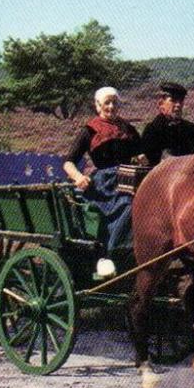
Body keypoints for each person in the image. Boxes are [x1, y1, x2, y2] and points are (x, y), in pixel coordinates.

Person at [63, 86, 142, 279]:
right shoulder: (90, 130)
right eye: (107, 102)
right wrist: (78, 177)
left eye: (115, 102)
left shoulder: (128, 129)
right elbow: (68, 162)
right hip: (104, 185)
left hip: (128, 178)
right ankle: (112, 253)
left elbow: (141, 153)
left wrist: (142, 157)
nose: (111, 106)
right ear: (98, 105)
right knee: (127, 205)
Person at [141, 81, 194, 165]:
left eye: (181, 101)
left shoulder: (189, 128)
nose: (178, 105)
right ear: (161, 104)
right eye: (173, 100)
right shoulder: (153, 129)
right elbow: (147, 163)